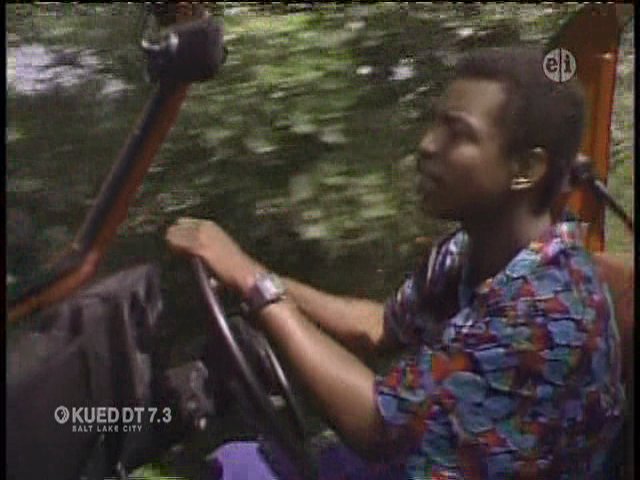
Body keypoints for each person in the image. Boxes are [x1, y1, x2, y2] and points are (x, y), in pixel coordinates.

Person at [165, 47, 625, 479]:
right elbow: (379, 326)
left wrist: (253, 283)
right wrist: (254, 277)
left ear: (525, 169)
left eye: (458, 133)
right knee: (233, 460)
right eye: (435, 125)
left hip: (408, 457)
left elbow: (378, 428)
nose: (427, 145)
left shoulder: (548, 314)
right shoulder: (473, 250)